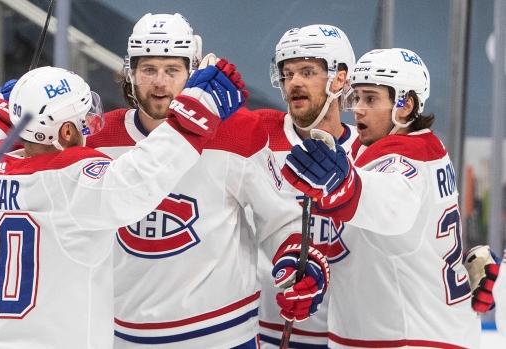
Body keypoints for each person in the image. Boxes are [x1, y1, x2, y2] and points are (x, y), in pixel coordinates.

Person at [0, 62, 246, 349]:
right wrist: (195, 111)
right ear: (66, 132)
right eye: (82, 121)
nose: (87, 126)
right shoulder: (70, 182)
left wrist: (0, 115)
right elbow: (139, 178)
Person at [90, 13, 326, 348]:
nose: (160, 82)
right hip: (123, 337)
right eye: (148, 70)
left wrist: (296, 258)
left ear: (194, 71)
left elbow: (279, 219)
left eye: (172, 70)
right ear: (130, 73)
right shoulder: (99, 137)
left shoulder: (238, 132)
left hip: (222, 335)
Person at [282, 48, 482, 348]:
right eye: (357, 97)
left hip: (409, 339)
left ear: (405, 105)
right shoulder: (415, 148)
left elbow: (392, 206)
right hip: (421, 331)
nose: (358, 109)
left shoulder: (407, 159)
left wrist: (347, 189)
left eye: (371, 99)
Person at [253, 24, 357, 348]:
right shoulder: (258, 139)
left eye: (308, 71)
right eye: (287, 73)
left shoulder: (370, 153)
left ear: (339, 79)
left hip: (346, 335)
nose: (294, 82)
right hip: (265, 331)